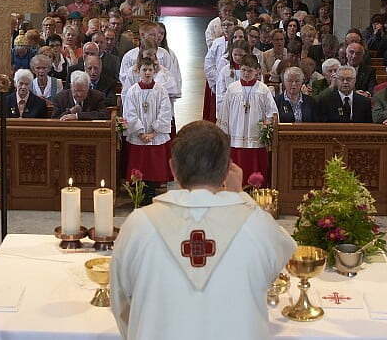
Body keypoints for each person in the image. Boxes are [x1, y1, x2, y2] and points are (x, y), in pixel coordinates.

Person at [110, 120, 295, 340]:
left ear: (172, 169)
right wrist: (240, 197)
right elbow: (286, 250)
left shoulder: (138, 225)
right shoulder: (256, 224)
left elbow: (120, 302)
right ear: (228, 169)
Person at [218, 55, 277, 186]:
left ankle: (256, 190)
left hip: (255, 137)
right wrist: (224, 133)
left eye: (250, 71)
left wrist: (267, 126)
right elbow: (225, 111)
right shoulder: (232, 89)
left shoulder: (263, 90)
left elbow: (272, 112)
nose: (246, 74)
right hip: (236, 136)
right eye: (243, 70)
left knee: (255, 168)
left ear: (257, 71)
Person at [121, 58, 174, 192]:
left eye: (150, 70)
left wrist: (154, 133)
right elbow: (129, 113)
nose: (147, 73)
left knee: (154, 169)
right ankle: (140, 193)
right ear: (139, 71)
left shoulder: (161, 90)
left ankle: (152, 190)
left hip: (155, 136)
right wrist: (141, 133)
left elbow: (165, 111)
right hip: (139, 137)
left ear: (154, 71)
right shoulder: (133, 91)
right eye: (144, 69)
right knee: (140, 169)